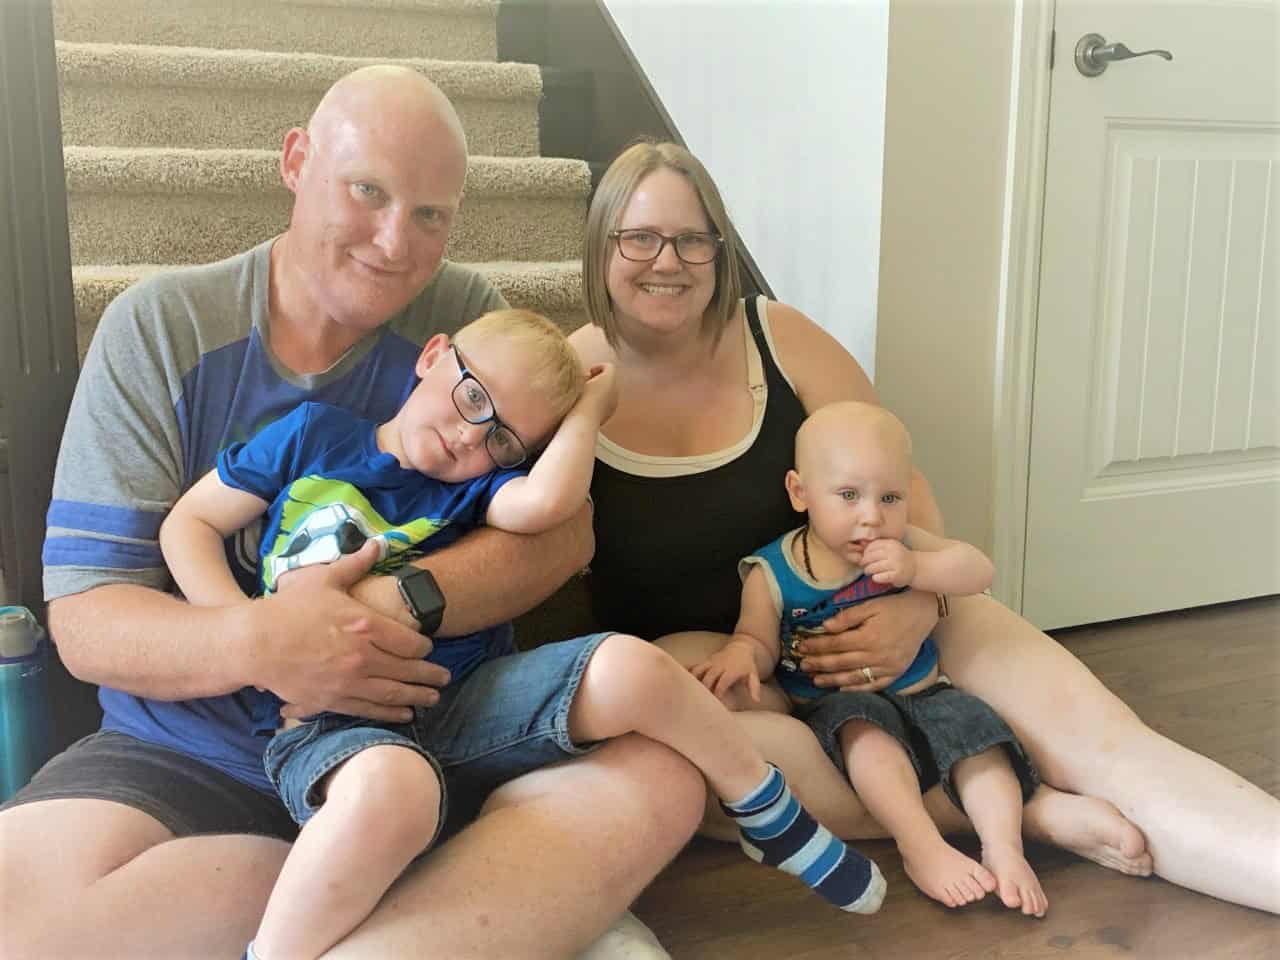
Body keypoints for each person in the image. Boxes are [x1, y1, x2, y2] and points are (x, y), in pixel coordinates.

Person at [0, 68, 708, 959]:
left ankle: (352, 908)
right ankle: (462, 914)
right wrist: (268, 642)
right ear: (295, 162)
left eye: (430, 215)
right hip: (189, 752)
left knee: (666, 769)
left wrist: (384, 613)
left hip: (426, 737)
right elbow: (89, 620)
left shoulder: (466, 320)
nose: (394, 242)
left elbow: (564, 536)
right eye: (367, 190)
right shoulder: (161, 326)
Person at [570, 139, 1280, 918]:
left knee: (1111, 747)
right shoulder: (568, 375)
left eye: (692, 238)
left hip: (897, 594)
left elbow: (905, 485)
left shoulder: (778, 336)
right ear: (601, 242)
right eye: (638, 237)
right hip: (729, 661)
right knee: (688, 764)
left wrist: (916, 607)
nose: (666, 260)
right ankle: (1025, 814)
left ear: (719, 248)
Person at [160, 310, 886, 960]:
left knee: (629, 666)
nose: (467, 434)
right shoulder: (314, 434)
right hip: (334, 720)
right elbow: (188, 524)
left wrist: (593, 405)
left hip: (468, 700)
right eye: (471, 396)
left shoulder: (478, 487)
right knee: (394, 788)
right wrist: (252, 634)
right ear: (433, 354)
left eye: (501, 436)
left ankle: (767, 809)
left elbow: (550, 500)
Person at [693, 400, 1046, 916]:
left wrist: (918, 567)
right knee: (866, 735)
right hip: (840, 708)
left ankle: (1005, 848)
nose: (872, 516)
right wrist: (741, 655)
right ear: (800, 492)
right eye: (849, 495)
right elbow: (757, 640)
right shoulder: (772, 572)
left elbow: (976, 570)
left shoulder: (902, 546)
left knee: (979, 736)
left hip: (923, 691)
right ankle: (920, 844)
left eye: (890, 497)